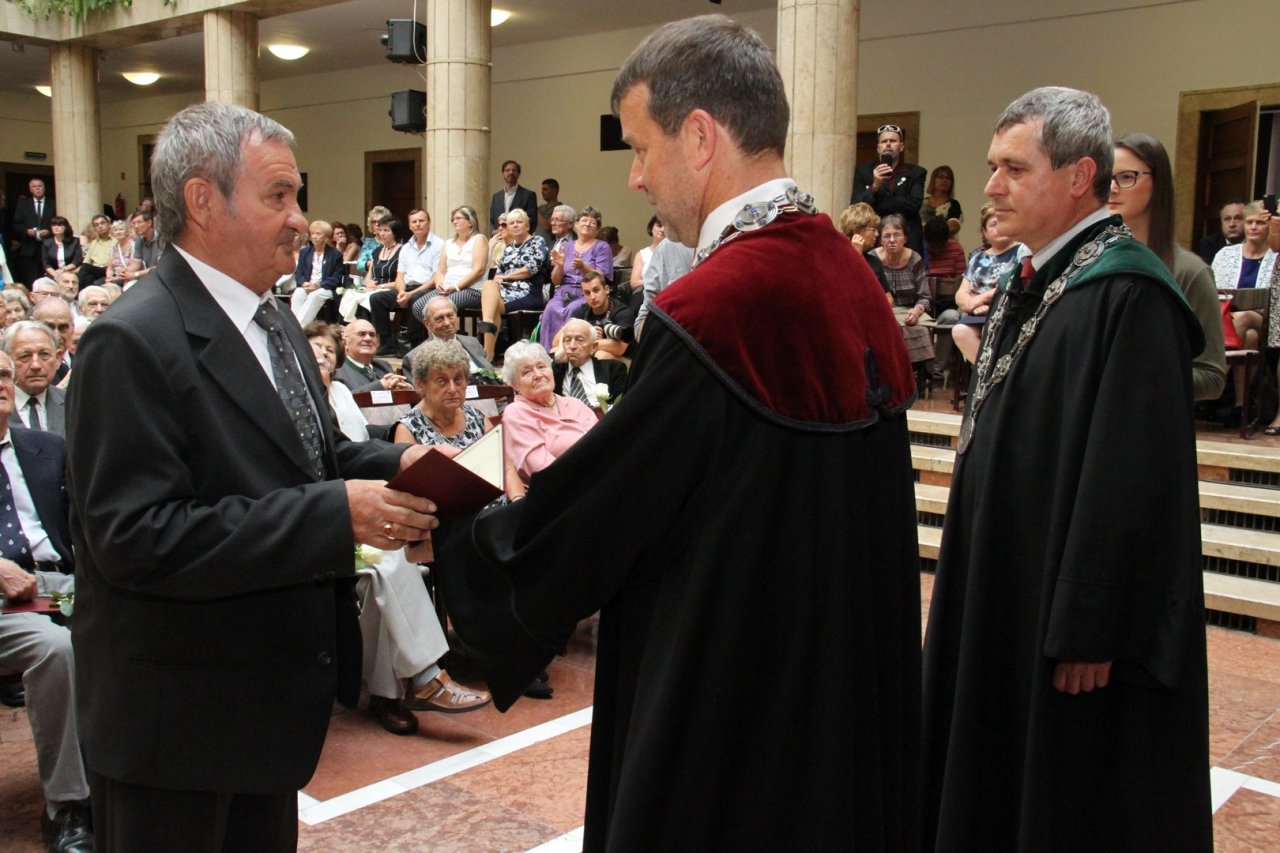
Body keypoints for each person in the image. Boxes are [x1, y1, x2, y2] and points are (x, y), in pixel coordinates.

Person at [435, 16, 919, 851]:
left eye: (639, 147)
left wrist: (462, 535)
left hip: (733, 702)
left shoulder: (714, 306)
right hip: (841, 695)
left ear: (699, 136)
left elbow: (611, 505)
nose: (633, 177)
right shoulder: (850, 276)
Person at [65, 101, 441, 851]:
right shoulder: (130, 341)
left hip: (264, 712)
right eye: (278, 196)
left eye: (296, 196)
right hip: (176, 726)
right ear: (203, 200)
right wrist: (335, 513)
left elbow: (312, 457)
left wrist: (400, 462)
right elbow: (135, 537)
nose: (301, 219)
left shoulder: (274, 321)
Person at [921, 86, 1211, 852]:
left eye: (1014, 168)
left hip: (1065, 618)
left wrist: (1091, 620)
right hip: (1007, 579)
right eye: (992, 166)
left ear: (1081, 176)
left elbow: (1133, 475)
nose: (991, 186)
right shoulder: (1035, 277)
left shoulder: (1129, 294)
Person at [0, 349, 94, 852]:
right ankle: (68, 805)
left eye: (2, 374)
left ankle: (140, 778)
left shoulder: (46, 447)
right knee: (55, 650)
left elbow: (82, 520)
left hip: (60, 585)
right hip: (5, 603)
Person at [1108, 132, 1226, 403]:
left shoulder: (1189, 272)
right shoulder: (1088, 261)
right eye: (1105, 177)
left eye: (1126, 177)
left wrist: (1133, 375)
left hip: (1150, 420)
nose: (1111, 188)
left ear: (1158, 182)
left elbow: (1212, 377)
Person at [498, 340, 596, 485]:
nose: (538, 375)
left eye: (541, 367)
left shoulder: (575, 403)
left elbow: (604, 441)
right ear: (515, 384)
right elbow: (543, 469)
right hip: (567, 487)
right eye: (527, 372)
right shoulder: (516, 413)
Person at [950, 203, 1020, 363]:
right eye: (993, 225)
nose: (998, 228)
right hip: (978, 314)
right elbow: (961, 293)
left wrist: (981, 300)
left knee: (991, 331)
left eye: (1002, 222)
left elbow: (1013, 284)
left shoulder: (1021, 252)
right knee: (960, 331)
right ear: (985, 232)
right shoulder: (978, 258)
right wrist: (971, 305)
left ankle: (997, 374)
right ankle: (986, 373)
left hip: (1006, 310)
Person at [476, 209, 548, 361]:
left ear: (527, 226)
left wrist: (507, 277)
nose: (515, 225)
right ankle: (488, 348)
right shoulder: (508, 248)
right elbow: (498, 274)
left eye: (519, 222)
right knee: (489, 285)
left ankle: (487, 351)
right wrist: (501, 279)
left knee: (491, 303)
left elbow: (530, 269)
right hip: (505, 291)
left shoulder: (537, 242)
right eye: (511, 223)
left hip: (528, 291)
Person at [541, 206, 613, 349]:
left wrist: (583, 267)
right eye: (584, 220)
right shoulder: (566, 246)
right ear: (576, 224)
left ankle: (569, 351)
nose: (587, 224)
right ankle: (548, 353)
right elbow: (555, 281)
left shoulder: (602, 247)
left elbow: (602, 277)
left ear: (597, 228)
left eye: (592, 222)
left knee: (572, 310)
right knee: (550, 308)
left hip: (586, 292)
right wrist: (560, 266)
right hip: (564, 291)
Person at [851, 124, 927, 253]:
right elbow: (856, 206)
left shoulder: (916, 173)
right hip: (874, 239)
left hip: (908, 240)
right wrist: (875, 186)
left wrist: (877, 202)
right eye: (884, 141)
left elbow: (914, 205)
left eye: (892, 141)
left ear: (901, 146)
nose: (888, 144)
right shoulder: (863, 171)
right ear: (878, 147)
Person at [876, 213, 935, 378]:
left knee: (919, 329)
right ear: (880, 240)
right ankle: (896, 373)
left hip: (910, 310)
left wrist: (916, 311)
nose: (892, 240)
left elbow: (925, 296)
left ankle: (915, 374)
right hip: (883, 312)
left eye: (897, 235)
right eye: (887, 236)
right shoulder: (873, 258)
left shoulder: (914, 258)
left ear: (905, 238)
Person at [401, 296, 494, 377]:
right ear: (427, 324)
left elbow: (492, 375)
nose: (447, 323)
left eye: (450, 316)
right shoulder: (413, 358)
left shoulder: (473, 343)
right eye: (439, 318)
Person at [420, 205, 487, 315]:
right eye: (453, 219)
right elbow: (441, 271)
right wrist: (439, 286)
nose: (454, 222)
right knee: (419, 306)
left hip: (472, 289)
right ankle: (434, 327)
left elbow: (479, 270)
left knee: (441, 306)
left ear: (470, 222)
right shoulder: (448, 243)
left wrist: (456, 286)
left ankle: (445, 326)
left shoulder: (479, 239)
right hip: (447, 288)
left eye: (458, 218)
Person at [4, 320, 66, 436]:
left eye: (44, 355)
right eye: (25, 356)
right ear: (7, 361)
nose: (36, 365)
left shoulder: (73, 404)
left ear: (58, 359)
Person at [553, 318, 627, 405]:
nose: (572, 346)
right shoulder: (554, 371)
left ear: (593, 347)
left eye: (579, 340)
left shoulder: (614, 369)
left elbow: (622, 405)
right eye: (567, 340)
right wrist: (557, 358)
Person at [289, 219, 345, 325]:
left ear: (326, 237)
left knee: (315, 296)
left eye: (318, 234)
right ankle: (298, 326)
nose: (314, 236)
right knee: (298, 294)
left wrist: (319, 285)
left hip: (325, 288)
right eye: (313, 234)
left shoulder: (335, 254)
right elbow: (299, 273)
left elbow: (336, 278)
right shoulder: (304, 252)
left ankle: (298, 327)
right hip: (307, 285)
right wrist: (304, 283)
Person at [838, 202, 891, 295]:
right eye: (873, 229)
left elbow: (888, 298)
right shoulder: (835, 260)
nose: (877, 234)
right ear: (856, 231)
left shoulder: (874, 261)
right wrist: (856, 256)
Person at [11, 178, 54, 285]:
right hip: (29, 248)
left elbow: (59, 222)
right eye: (34, 187)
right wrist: (26, 231)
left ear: (44, 188)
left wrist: (49, 231)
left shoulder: (53, 204)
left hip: (48, 247)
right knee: (30, 279)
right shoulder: (23, 205)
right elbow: (16, 224)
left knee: (48, 278)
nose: (37, 188)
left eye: (40, 186)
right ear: (30, 190)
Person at [489, 159, 539, 234]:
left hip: (519, 238)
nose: (511, 172)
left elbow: (532, 221)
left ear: (519, 174)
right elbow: (491, 220)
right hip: (499, 237)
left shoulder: (529, 195)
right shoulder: (496, 197)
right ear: (503, 173)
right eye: (507, 170)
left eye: (514, 170)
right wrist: (493, 231)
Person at [1197, 199, 1245, 265]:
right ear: (1221, 222)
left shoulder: (1255, 244)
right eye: (1227, 219)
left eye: (1238, 218)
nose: (1232, 224)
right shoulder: (1208, 244)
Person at [921, 164, 963, 236]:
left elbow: (953, 227)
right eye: (941, 177)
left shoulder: (953, 204)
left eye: (948, 178)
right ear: (933, 180)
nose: (944, 180)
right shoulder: (921, 202)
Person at [120, 210, 160, 285]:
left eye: (139, 222)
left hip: (161, 277)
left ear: (149, 223)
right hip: (148, 276)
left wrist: (135, 274)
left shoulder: (162, 238)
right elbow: (136, 264)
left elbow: (160, 267)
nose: (136, 226)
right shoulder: (139, 240)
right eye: (133, 223)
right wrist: (125, 271)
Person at [42, 216, 82, 282]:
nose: (56, 227)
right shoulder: (46, 242)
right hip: (54, 273)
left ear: (65, 227)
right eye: (54, 225)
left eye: (59, 225)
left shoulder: (75, 241)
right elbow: (46, 264)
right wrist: (56, 275)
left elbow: (77, 261)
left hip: (71, 272)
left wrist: (63, 270)